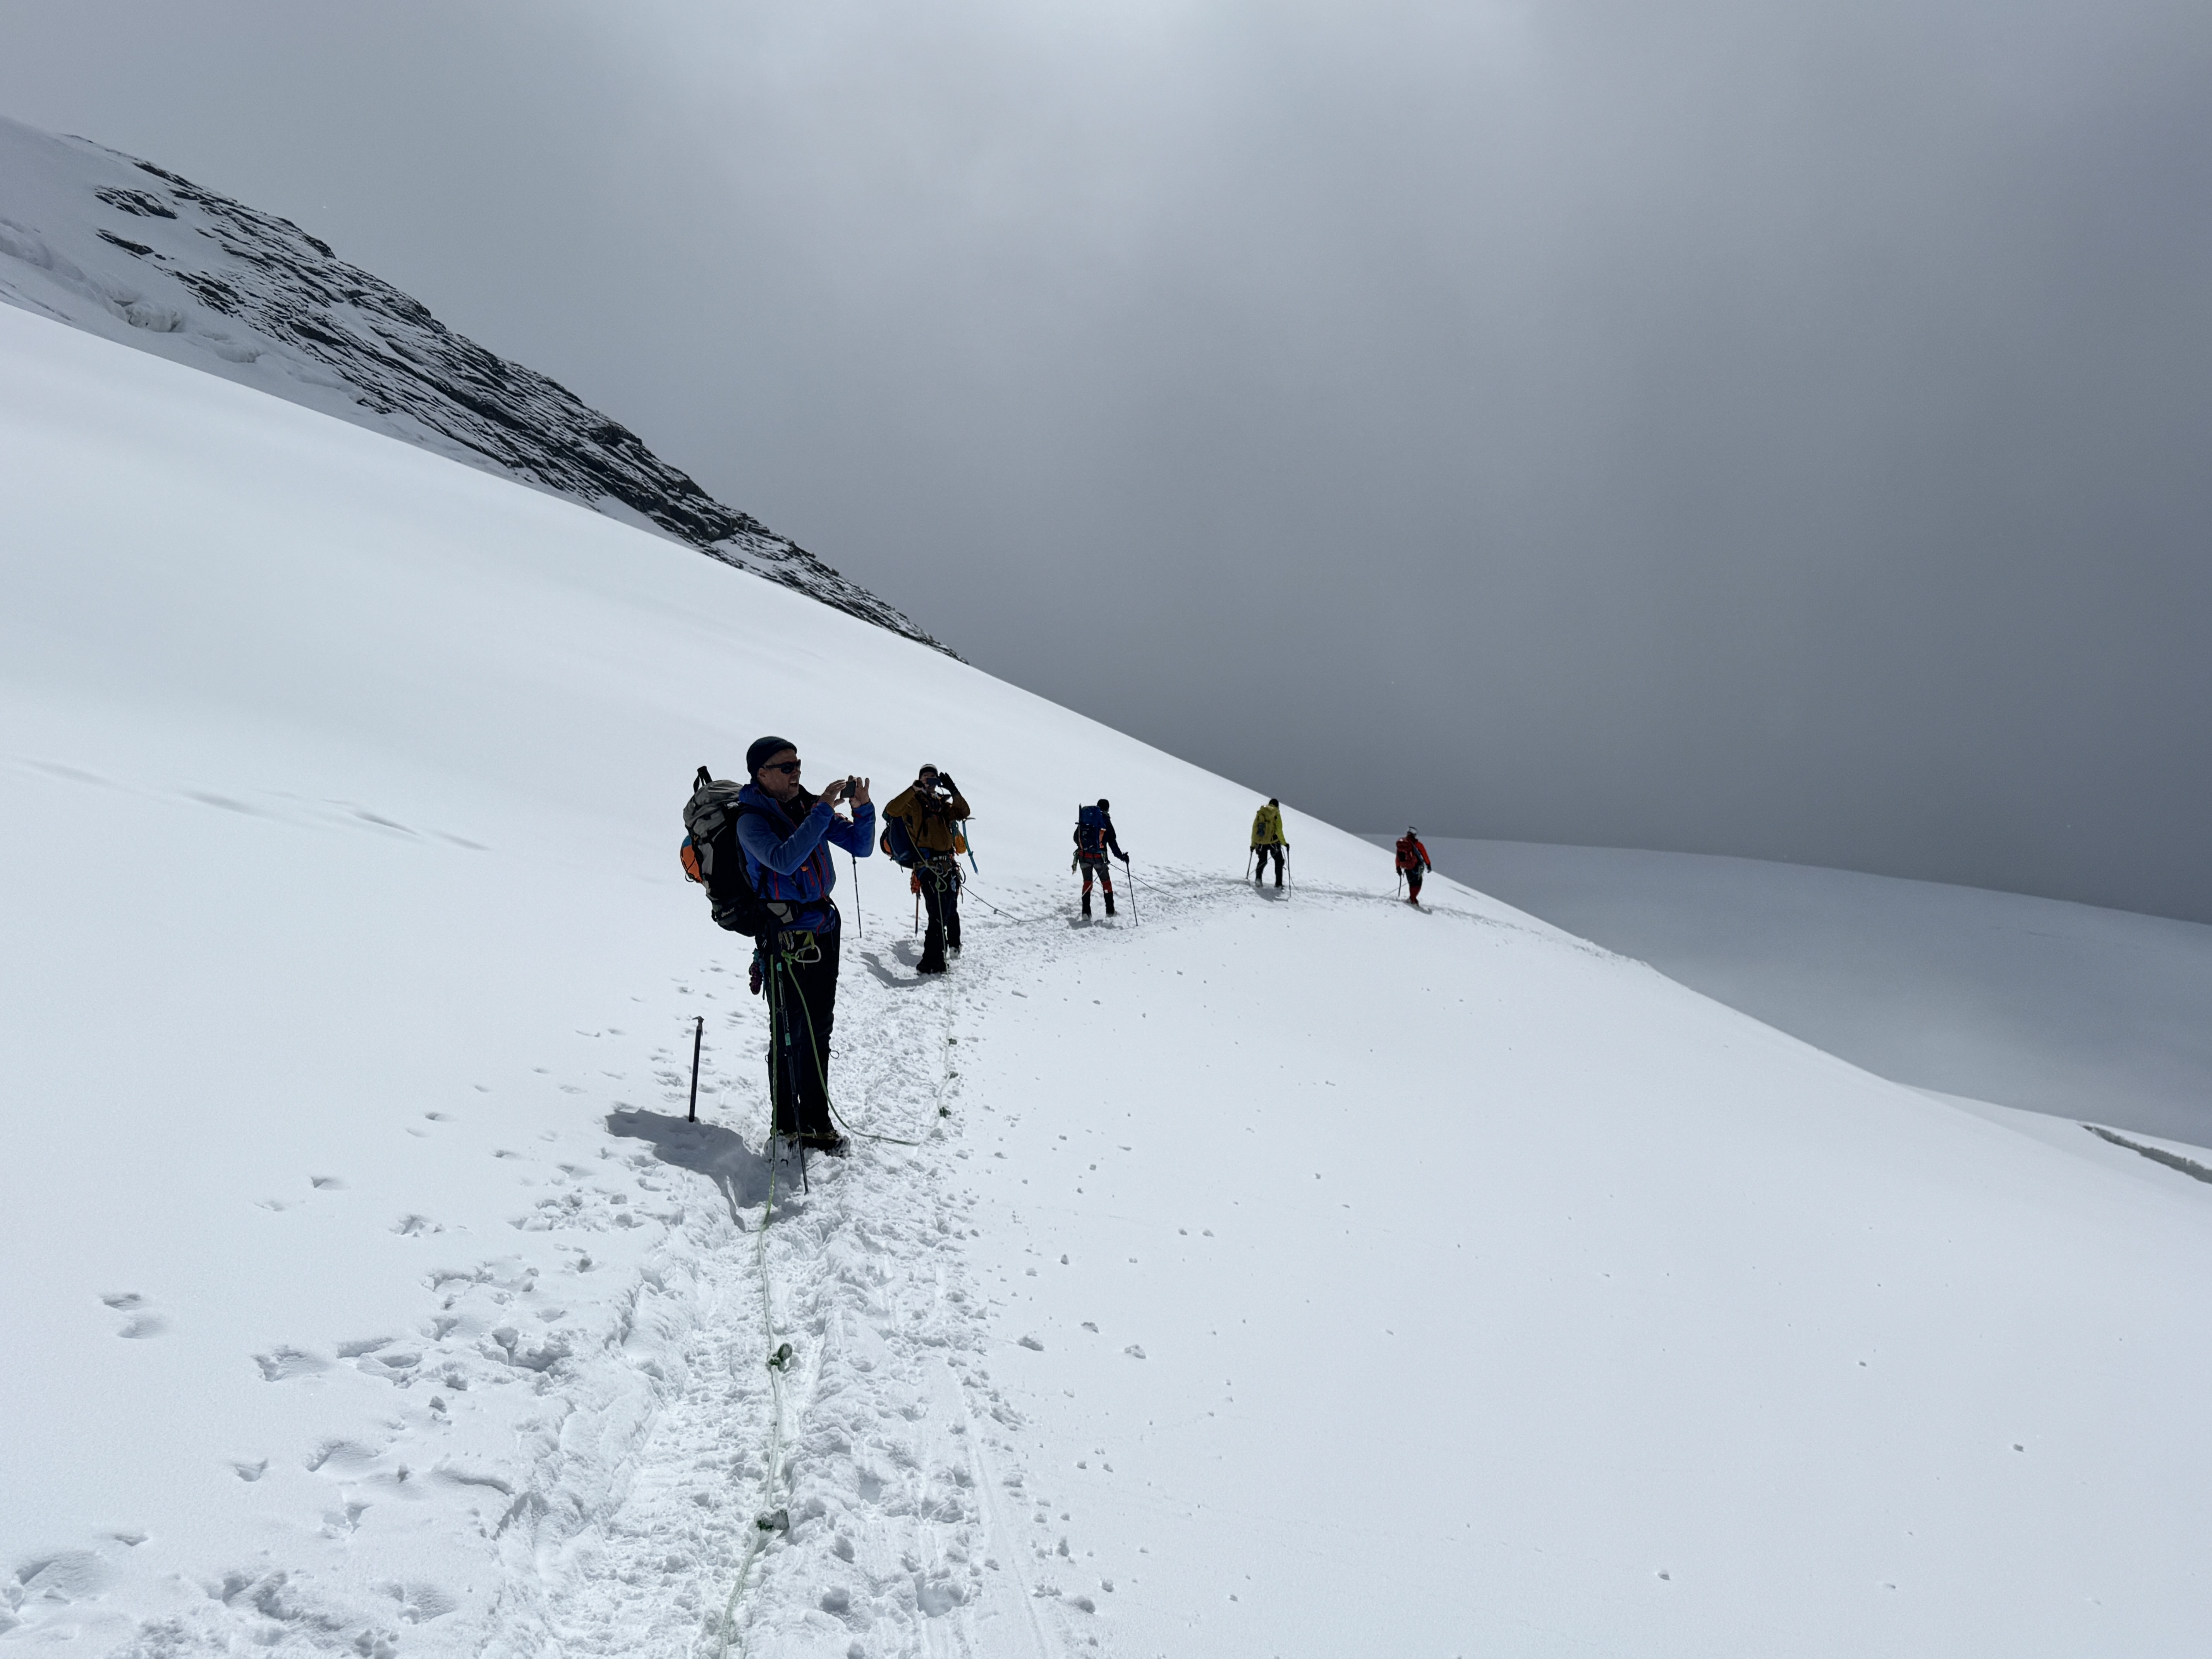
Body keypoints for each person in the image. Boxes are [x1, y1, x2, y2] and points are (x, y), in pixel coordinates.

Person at [735, 735, 873, 1155]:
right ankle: (785, 1127)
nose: (796, 773)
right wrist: (821, 811)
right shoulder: (750, 821)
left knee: (818, 1031)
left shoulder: (807, 807)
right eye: (786, 767)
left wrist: (863, 809)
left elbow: (862, 846)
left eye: (797, 765)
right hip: (783, 938)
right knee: (787, 1035)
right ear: (761, 774)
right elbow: (784, 860)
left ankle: (816, 1124)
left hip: (822, 930)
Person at [883, 764, 970, 975]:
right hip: (928, 867)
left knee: (948, 911)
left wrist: (954, 791)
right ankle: (932, 962)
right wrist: (914, 789)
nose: (930, 780)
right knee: (938, 914)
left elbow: (963, 812)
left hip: (947, 866)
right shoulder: (913, 803)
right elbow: (891, 811)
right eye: (926, 776)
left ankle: (943, 954)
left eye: (933, 777)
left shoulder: (941, 805)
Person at [1072, 798, 1128, 919]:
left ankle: (1086, 912)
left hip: (1083, 856)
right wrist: (1122, 857)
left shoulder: (1087, 819)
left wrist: (1085, 847)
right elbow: (1113, 843)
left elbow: (1076, 838)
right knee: (1106, 883)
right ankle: (1110, 911)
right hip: (1099, 858)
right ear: (1108, 809)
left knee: (1087, 882)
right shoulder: (1105, 821)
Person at [1250, 797, 1288, 888]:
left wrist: (1253, 844)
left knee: (1263, 860)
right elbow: (1279, 831)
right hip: (1273, 842)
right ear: (1277, 806)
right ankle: (1278, 884)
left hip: (1261, 841)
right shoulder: (1276, 813)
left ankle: (1258, 879)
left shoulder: (1261, 812)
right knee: (1279, 861)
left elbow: (1255, 828)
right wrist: (1285, 843)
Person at [1395, 825, 1432, 905]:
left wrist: (1398, 867)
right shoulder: (1417, 844)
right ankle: (1413, 900)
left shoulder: (1402, 843)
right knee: (1418, 884)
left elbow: (1398, 856)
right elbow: (1424, 855)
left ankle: (1412, 899)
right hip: (1416, 866)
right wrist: (1428, 865)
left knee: (1412, 883)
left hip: (1406, 867)